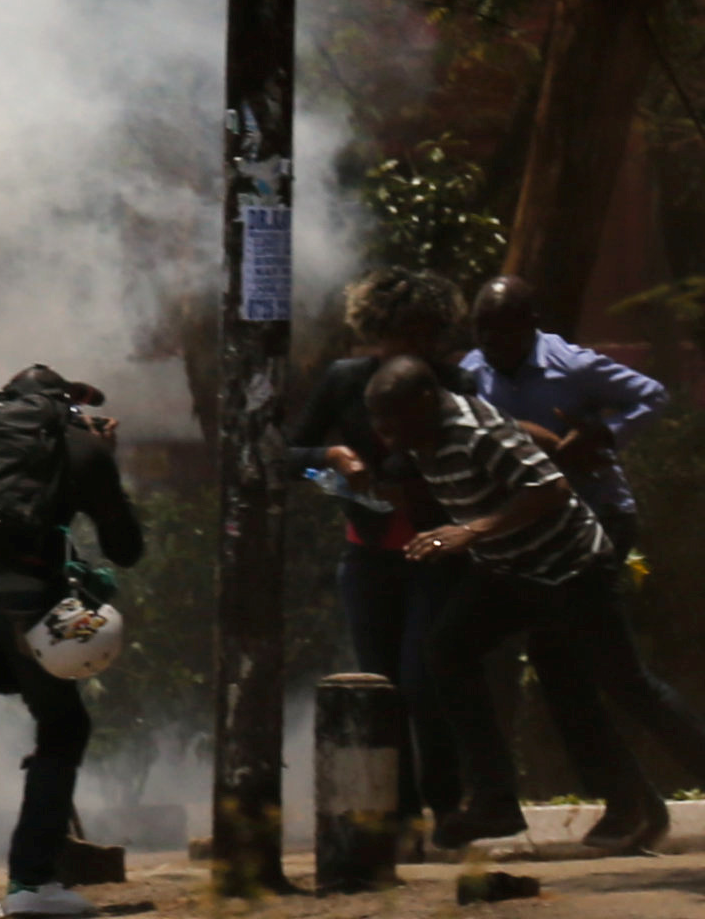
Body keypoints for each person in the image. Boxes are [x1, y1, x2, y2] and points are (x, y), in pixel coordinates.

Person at [351, 355, 705, 850]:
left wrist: (470, 531)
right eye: (378, 422)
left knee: (628, 685)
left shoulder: (473, 434)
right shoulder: (425, 434)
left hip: (571, 569)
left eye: (392, 420)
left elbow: (550, 488)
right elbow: (520, 431)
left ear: (425, 403)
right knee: (448, 649)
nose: (385, 432)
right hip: (514, 570)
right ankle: (496, 800)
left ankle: (637, 797)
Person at [0, 364, 144, 919]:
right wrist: (102, 457)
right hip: (25, 604)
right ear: (65, 409)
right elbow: (126, 547)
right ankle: (30, 880)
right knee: (63, 726)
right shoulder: (80, 451)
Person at [284, 269, 471, 829]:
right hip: (367, 556)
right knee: (381, 687)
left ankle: (447, 802)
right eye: (399, 333)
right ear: (376, 330)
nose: (408, 347)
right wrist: (334, 458)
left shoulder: (455, 385)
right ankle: (400, 814)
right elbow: (286, 455)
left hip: (438, 555)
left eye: (422, 334)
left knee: (423, 680)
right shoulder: (344, 382)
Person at [458, 276, 668, 561]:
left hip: (596, 515)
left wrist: (602, 434)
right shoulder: (470, 372)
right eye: (481, 328)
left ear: (530, 323)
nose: (489, 339)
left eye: (502, 328)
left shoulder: (572, 367)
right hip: (526, 523)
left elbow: (653, 396)